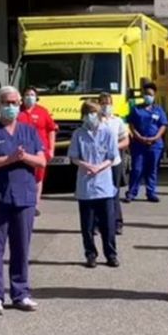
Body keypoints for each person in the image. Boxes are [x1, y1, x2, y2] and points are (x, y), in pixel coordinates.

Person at [0, 86, 46, 315]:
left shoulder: (29, 131)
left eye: (15, 102)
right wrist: (8, 159)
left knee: (21, 247)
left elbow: (42, 160)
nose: (11, 106)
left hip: (23, 196)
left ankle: (20, 293)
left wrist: (25, 157)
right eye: (7, 102)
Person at [68, 101, 119, 268]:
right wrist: (87, 165)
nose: (91, 116)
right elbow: (74, 157)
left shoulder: (108, 132)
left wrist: (99, 167)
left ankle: (111, 254)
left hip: (104, 184)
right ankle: (90, 254)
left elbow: (112, 157)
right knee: (87, 224)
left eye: (94, 113)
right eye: (88, 113)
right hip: (86, 184)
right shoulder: (78, 134)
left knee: (108, 224)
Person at [126, 82, 168, 203]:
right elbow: (131, 124)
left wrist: (155, 137)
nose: (147, 96)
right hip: (139, 144)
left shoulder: (158, 110)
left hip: (155, 145)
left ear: (154, 95)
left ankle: (151, 192)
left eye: (150, 94)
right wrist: (139, 137)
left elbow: (163, 125)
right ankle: (132, 193)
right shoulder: (136, 109)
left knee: (152, 169)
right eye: (145, 94)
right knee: (137, 169)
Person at [17, 87, 56, 215]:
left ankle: (34, 205)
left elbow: (51, 130)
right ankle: (22, 202)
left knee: (38, 178)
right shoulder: (17, 111)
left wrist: (51, 149)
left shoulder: (42, 111)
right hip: (21, 151)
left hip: (40, 151)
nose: (29, 97)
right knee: (22, 176)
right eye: (27, 94)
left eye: (32, 95)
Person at [98, 92, 128, 234]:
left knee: (113, 192)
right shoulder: (95, 121)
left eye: (108, 103)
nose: (106, 106)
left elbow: (126, 140)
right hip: (98, 163)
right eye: (103, 103)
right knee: (98, 193)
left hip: (114, 162)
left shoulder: (117, 121)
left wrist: (114, 146)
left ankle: (117, 222)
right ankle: (97, 223)